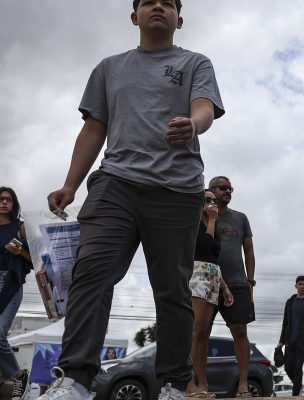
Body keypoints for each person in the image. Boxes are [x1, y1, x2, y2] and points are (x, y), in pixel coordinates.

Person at [42, 1, 224, 399]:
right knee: (91, 271)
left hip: (177, 189)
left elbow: (205, 108)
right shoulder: (109, 67)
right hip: (115, 184)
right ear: (134, 16)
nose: (157, 6)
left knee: (173, 288)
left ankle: (175, 384)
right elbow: (94, 128)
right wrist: (70, 184)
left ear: (180, 18)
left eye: (167, 3)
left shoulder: (196, 62)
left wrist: (193, 125)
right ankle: (75, 379)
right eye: (147, 2)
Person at [208, 176, 255, 398]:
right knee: (199, 332)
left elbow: (249, 250)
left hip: (237, 283)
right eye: (222, 187)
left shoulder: (241, 218)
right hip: (207, 281)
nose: (227, 191)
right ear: (210, 190)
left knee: (240, 331)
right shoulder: (202, 215)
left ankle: (243, 385)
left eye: (230, 188)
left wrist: (250, 280)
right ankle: (198, 385)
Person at [186, 190, 234, 398]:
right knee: (195, 330)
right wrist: (212, 219)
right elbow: (203, 247)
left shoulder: (210, 225)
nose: (212, 204)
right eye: (207, 200)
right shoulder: (194, 223)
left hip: (213, 277)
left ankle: (202, 383)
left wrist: (224, 287)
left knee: (204, 333)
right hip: (197, 275)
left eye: (213, 201)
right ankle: (188, 383)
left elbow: (214, 258)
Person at [0, 187, 32, 400]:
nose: (3, 202)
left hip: (10, 284)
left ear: (14, 203)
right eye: (0, 199)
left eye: (7, 199)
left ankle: (17, 375)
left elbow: (36, 259)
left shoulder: (21, 227)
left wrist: (19, 250)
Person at [277, 276, 304, 396]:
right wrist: (281, 341)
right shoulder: (290, 301)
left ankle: (296, 393)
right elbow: (285, 322)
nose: (302, 287)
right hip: (289, 340)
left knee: (297, 366)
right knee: (288, 367)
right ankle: (299, 385)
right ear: (295, 285)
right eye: (300, 284)